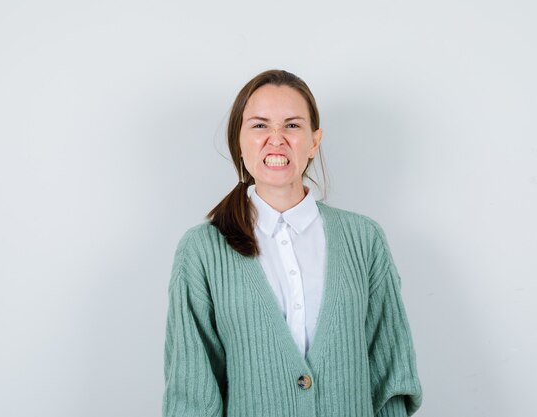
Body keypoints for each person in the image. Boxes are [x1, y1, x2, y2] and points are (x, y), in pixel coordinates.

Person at [162, 69, 423, 417]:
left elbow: (390, 380)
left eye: (292, 125)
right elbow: (190, 396)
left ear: (314, 141)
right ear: (238, 141)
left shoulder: (365, 240)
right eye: (259, 126)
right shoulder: (202, 251)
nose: (276, 139)